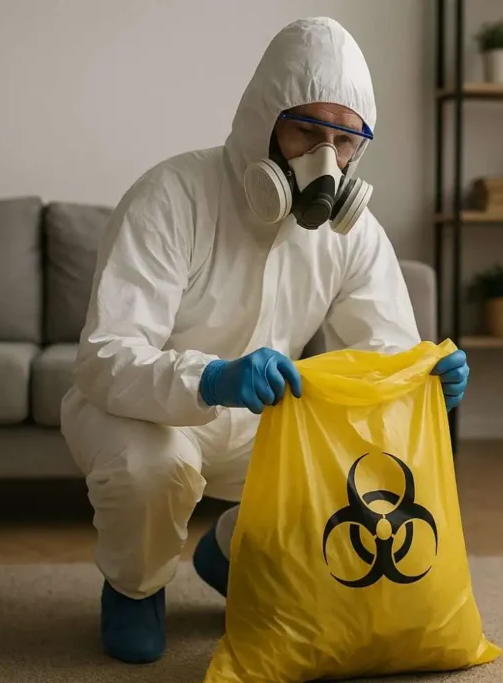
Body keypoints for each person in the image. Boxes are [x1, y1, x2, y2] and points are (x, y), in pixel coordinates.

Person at [59, 16, 471, 665]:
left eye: (344, 140)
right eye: (306, 129)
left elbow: (384, 356)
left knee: (361, 466)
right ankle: (135, 587)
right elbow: (105, 357)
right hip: (140, 412)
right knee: (154, 467)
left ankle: (230, 551)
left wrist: (422, 381)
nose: (324, 159)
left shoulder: (353, 235)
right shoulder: (173, 195)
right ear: (263, 118)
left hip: (264, 417)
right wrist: (211, 378)